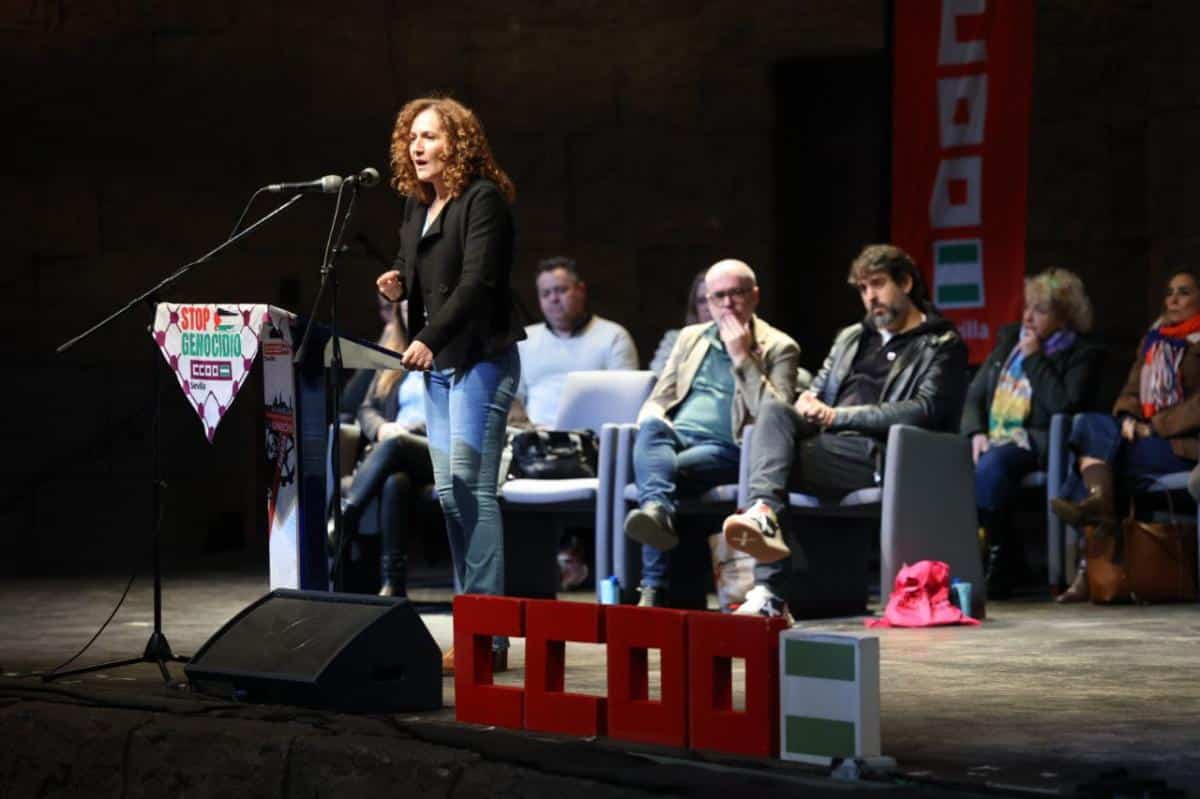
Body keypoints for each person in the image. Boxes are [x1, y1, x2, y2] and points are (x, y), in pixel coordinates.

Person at [721, 244, 969, 620]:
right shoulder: (852, 337)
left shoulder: (941, 344)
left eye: (878, 285)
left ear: (905, 282)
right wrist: (808, 401)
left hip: (882, 454)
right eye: (863, 289)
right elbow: (820, 388)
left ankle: (769, 586)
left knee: (768, 463)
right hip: (828, 446)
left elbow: (924, 410)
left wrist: (837, 416)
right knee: (774, 412)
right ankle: (764, 514)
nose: (870, 297)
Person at [375, 96, 524, 672]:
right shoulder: (419, 207)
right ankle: (476, 631)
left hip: (481, 360)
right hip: (440, 368)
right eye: (413, 137)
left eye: (431, 136)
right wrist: (395, 284)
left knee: (470, 490)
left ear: (457, 144)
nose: (418, 146)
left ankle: (486, 635)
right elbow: (416, 274)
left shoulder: (482, 200)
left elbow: (477, 284)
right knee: (449, 496)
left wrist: (429, 338)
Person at [623, 260, 799, 607]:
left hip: (729, 446)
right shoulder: (691, 337)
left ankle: (653, 585)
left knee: (660, 471)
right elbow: (663, 393)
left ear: (755, 296)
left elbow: (774, 415)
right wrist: (652, 419)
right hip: (677, 436)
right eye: (718, 296)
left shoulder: (780, 347)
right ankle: (657, 509)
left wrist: (742, 357)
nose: (727, 304)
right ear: (707, 299)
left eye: (736, 294)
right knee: (651, 431)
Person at [1050, 269, 1200, 603]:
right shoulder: (1154, 339)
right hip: (1144, 440)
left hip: (1183, 446)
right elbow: (1131, 389)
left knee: (1092, 459)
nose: (1173, 299)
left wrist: (1155, 426)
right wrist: (1130, 416)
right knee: (1090, 424)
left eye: (1184, 292)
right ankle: (1099, 502)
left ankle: (1090, 566)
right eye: (1169, 291)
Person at [960, 268, 1103, 597]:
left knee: (993, 465)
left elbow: (1064, 406)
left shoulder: (1083, 354)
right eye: (1028, 307)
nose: (1028, 316)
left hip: (1039, 442)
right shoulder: (1009, 339)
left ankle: (999, 557)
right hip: (995, 438)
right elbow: (975, 393)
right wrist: (976, 431)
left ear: (1065, 316)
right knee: (955, 460)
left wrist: (1035, 358)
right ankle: (994, 555)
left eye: (1040, 310)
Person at [332, 317, 432, 597]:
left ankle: (345, 518)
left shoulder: (447, 351)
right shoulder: (394, 350)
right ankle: (393, 582)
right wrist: (382, 427)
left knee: (397, 445)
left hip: (435, 450)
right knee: (394, 482)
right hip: (394, 449)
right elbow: (365, 408)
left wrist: (408, 431)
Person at [511, 256, 638, 428]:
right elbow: (512, 398)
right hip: (534, 440)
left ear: (581, 290)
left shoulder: (614, 336)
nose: (553, 299)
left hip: (593, 441)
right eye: (545, 293)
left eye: (561, 290)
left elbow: (627, 401)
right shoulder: (525, 339)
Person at [648, 270, 712, 374]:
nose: (708, 307)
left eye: (714, 298)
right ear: (694, 308)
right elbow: (658, 372)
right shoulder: (675, 339)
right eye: (702, 301)